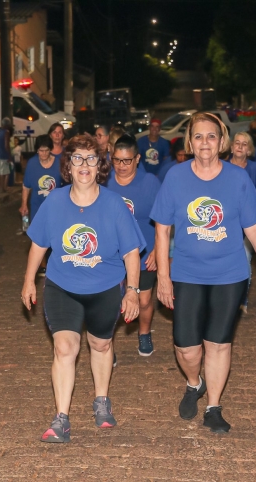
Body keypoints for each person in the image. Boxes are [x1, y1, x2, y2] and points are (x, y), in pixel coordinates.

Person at [151, 112, 256, 433]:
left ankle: (213, 406)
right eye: (198, 136)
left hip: (229, 272)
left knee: (219, 343)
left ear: (222, 141)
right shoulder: (175, 177)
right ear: (190, 142)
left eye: (211, 136)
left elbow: (254, 230)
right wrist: (163, 276)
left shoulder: (238, 180)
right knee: (186, 346)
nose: (205, 143)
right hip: (186, 272)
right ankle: (194, 383)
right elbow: (162, 230)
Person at [21, 133, 144, 443]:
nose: (84, 165)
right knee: (65, 348)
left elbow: (131, 251)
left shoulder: (114, 204)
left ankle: (101, 401)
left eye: (91, 159)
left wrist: (132, 290)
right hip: (62, 286)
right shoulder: (55, 201)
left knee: (101, 345)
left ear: (99, 165)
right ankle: (61, 417)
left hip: (104, 287)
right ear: (69, 165)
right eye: (77, 158)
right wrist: (28, 281)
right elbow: (38, 243)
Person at [106, 134, 161, 357]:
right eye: (117, 160)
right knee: (110, 300)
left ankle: (144, 333)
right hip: (112, 253)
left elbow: (162, 221)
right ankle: (106, 345)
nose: (121, 166)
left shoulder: (150, 183)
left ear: (137, 158)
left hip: (144, 250)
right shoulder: (105, 182)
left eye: (127, 160)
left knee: (144, 299)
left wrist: (158, 249)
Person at [229, 132, 256, 313]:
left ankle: (242, 300)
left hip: (248, 223)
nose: (240, 146)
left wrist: (247, 197)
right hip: (225, 223)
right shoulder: (221, 167)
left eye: (244, 144)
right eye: (237, 143)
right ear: (231, 147)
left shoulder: (254, 168)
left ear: (249, 150)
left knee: (245, 260)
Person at [19, 135, 61, 276]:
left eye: (46, 151)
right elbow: (26, 186)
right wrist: (24, 204)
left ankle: (55, 263)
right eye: (40, 151)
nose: (43, 154)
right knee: (39, 237)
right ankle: (43, 265)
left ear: (51, 150)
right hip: (38, 206)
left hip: (56, 208)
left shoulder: (59, 163)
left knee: (55, 236)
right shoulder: (32, 164)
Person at [0, 118, 12, 193]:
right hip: (3, 154)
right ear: (7, 125)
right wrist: (9, 156)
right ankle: (4, 187)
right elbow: (6, 145)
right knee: (6, 172)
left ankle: (0, 187)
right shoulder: (6, 132)